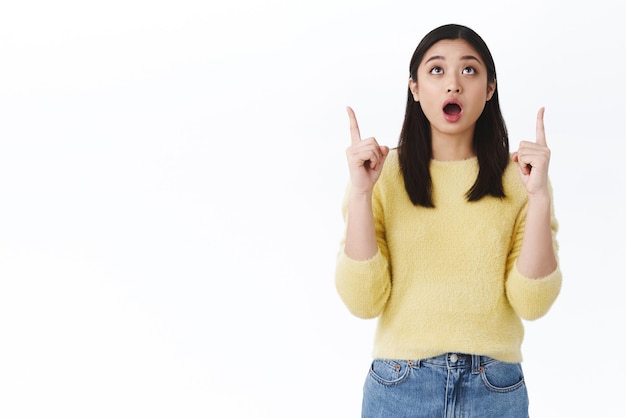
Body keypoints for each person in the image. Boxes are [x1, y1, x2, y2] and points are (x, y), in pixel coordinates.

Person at [335, 23, 562, 417]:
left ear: (490, 88)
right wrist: (360, 194)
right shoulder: (381, 175)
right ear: (415, 88)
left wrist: (539, 197)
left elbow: (533, 302)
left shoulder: (521, 178)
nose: (453, 84)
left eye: (469, 70)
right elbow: (362, 301)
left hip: (494, 388)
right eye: (437, 70)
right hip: (399, 387)